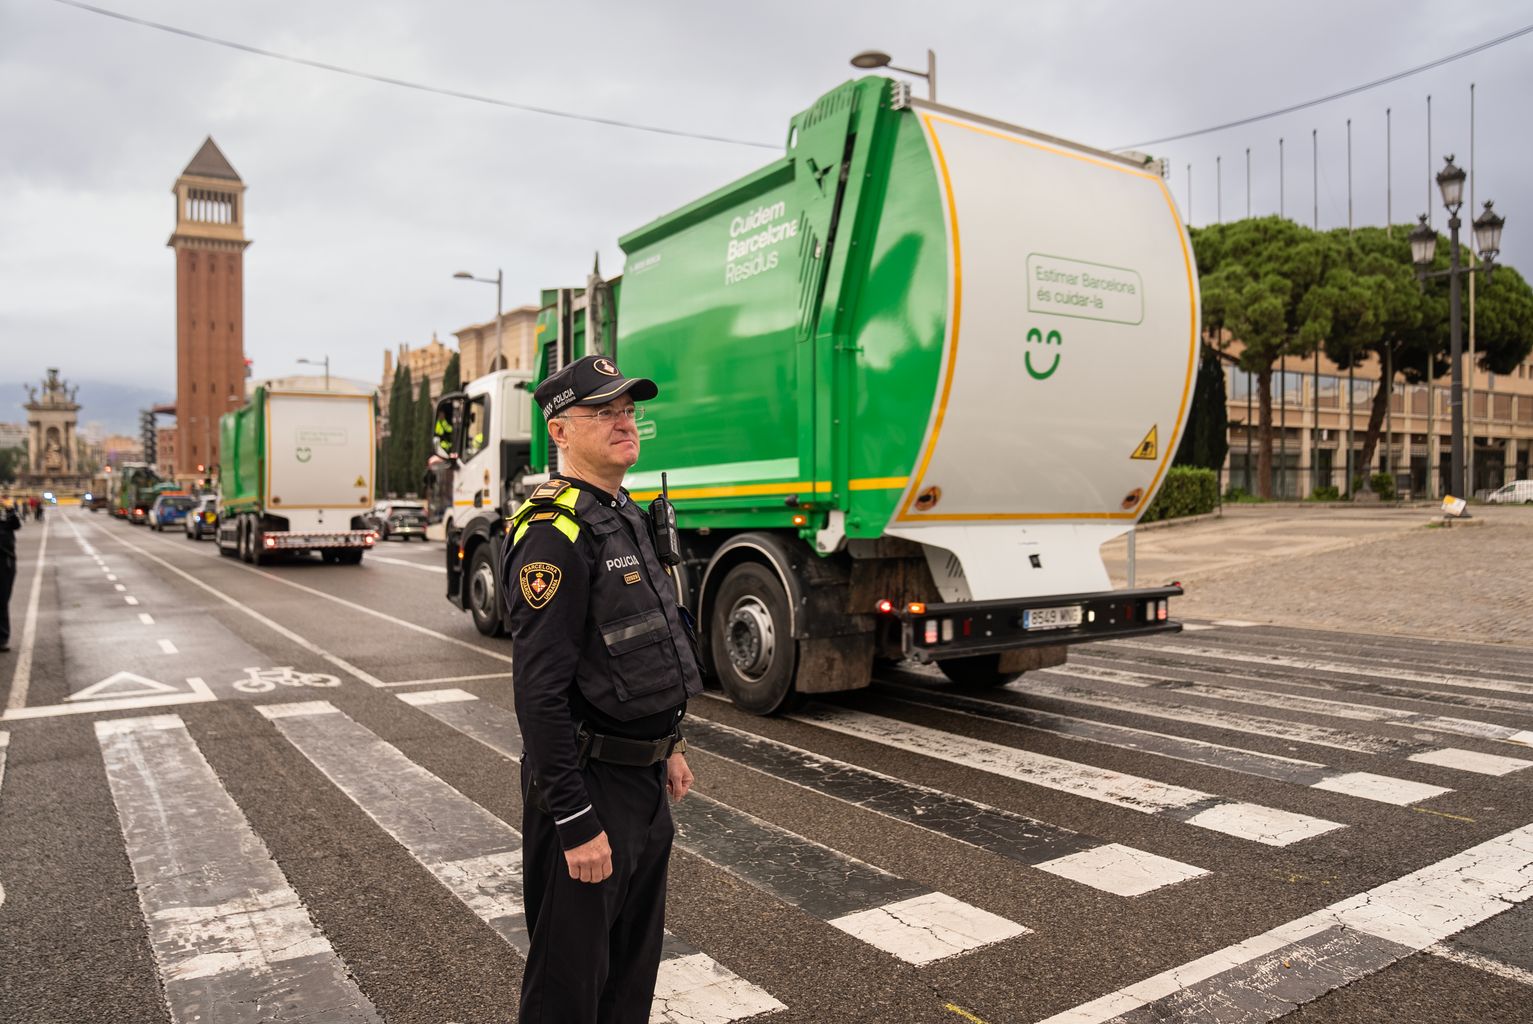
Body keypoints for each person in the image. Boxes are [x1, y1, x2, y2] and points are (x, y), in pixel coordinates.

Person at [502, 354, 703, 1024]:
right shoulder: (553, 534)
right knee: (569, 988)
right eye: (604, 412)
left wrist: (665, 744)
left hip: (642, 785)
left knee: (628, 979)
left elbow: (642, 648)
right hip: (588, 790)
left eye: (627, 409)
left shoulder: (622, 514)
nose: (625, 422)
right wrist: (573, 820)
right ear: (559, 431)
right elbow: (538, 692)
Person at [0, 497, 21, 653]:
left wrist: (9, 508)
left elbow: (16, 524)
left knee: (1, 601)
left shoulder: (6, 516)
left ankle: (2, 638)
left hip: (5, 563)